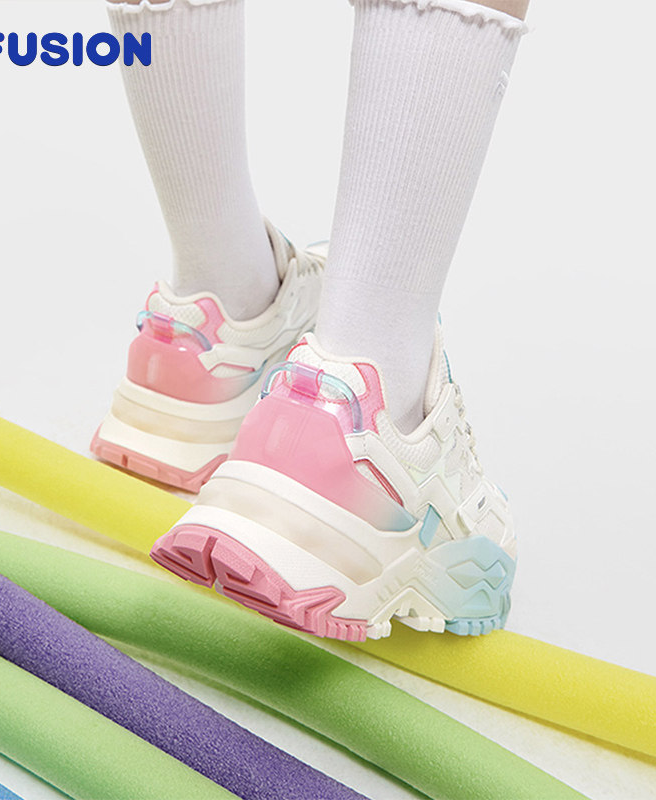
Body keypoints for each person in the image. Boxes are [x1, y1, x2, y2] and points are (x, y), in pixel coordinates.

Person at [95, 0, 528, 641]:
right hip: (364, 470)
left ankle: (220, 311)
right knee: (371, 345)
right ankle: (360, 405)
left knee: (227, 275)